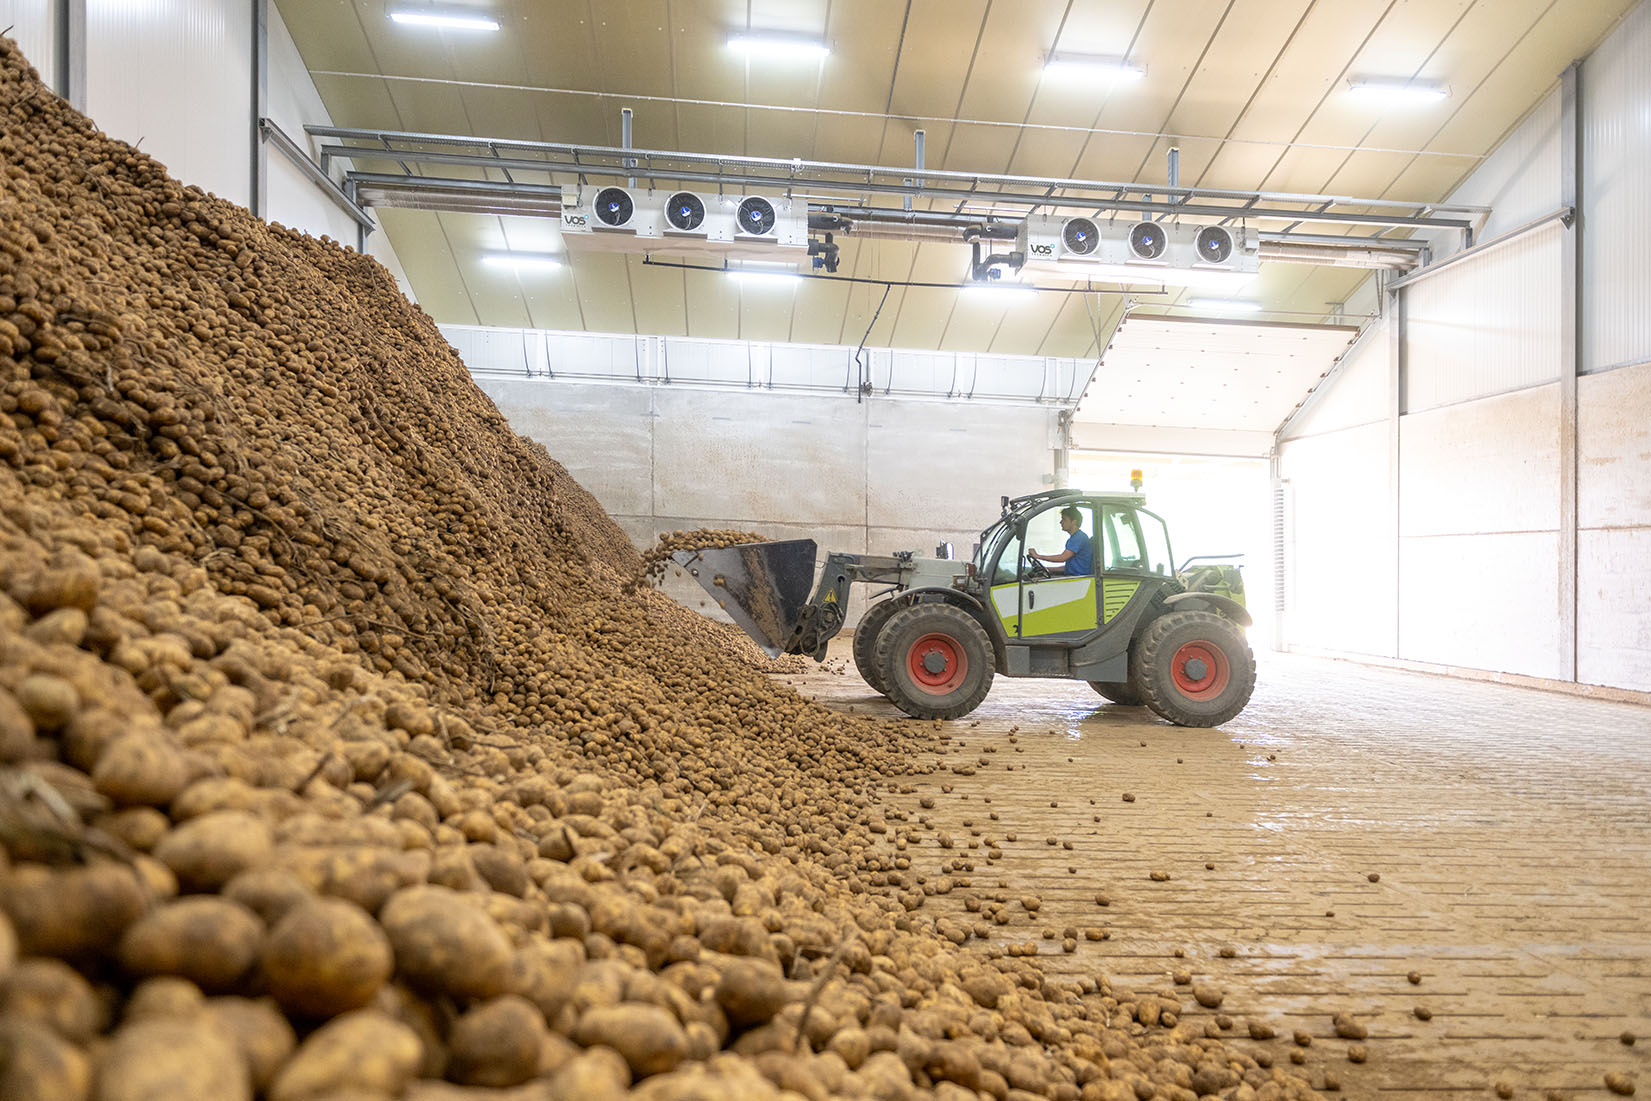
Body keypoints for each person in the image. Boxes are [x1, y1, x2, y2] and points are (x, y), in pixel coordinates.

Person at [1028, 506, 1092, 575]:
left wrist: (1038, 556)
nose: (1060, 522)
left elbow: (1062, 558)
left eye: (1064, 519)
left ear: (1074, 522)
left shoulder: (1078, 538)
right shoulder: (1075, 538)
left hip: (1079, 581)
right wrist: (1047, 569)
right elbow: (1068, 567)